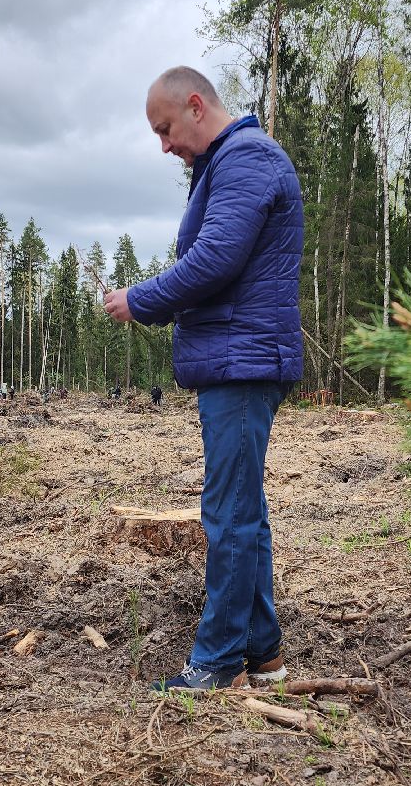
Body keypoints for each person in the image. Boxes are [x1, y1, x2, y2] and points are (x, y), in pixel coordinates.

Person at [104, 66, 303, 691]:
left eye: (165, 129)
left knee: (228, 515)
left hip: (242, 362)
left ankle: (217, 662)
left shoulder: (245, 159)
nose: (164, 145)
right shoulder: (230, 163)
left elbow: (214, 261)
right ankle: (262, 650)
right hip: (237, 357)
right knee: (245, 508)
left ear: (195, 106)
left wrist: (141, 300)